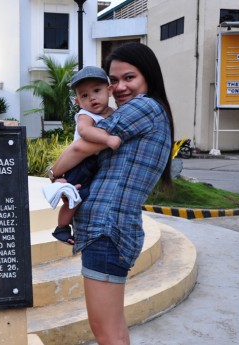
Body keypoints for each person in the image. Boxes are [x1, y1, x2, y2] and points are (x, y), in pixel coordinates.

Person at [49, 42, 175, 344]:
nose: (119, 87)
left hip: (107, 231)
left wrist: (53, 174)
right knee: (113, 330)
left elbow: (80, 147)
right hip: (107, 230)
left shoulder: (143, 107)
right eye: (114, 80)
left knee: (105, 332)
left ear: (148, 76)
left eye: (128, 77)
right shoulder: (145, 111)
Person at [49, 66, 120, 245]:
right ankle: (61, 228)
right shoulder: (85, 115)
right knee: (76, 196)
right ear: (78, 101)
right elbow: (85, 131)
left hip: (93, 162)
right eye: (84, 96)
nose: (92, 98)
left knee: (84, 196)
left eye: (97, 91)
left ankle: (72, 223)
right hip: (80, 164)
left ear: (109, 90)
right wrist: (108, 140)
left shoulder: (114, 113)